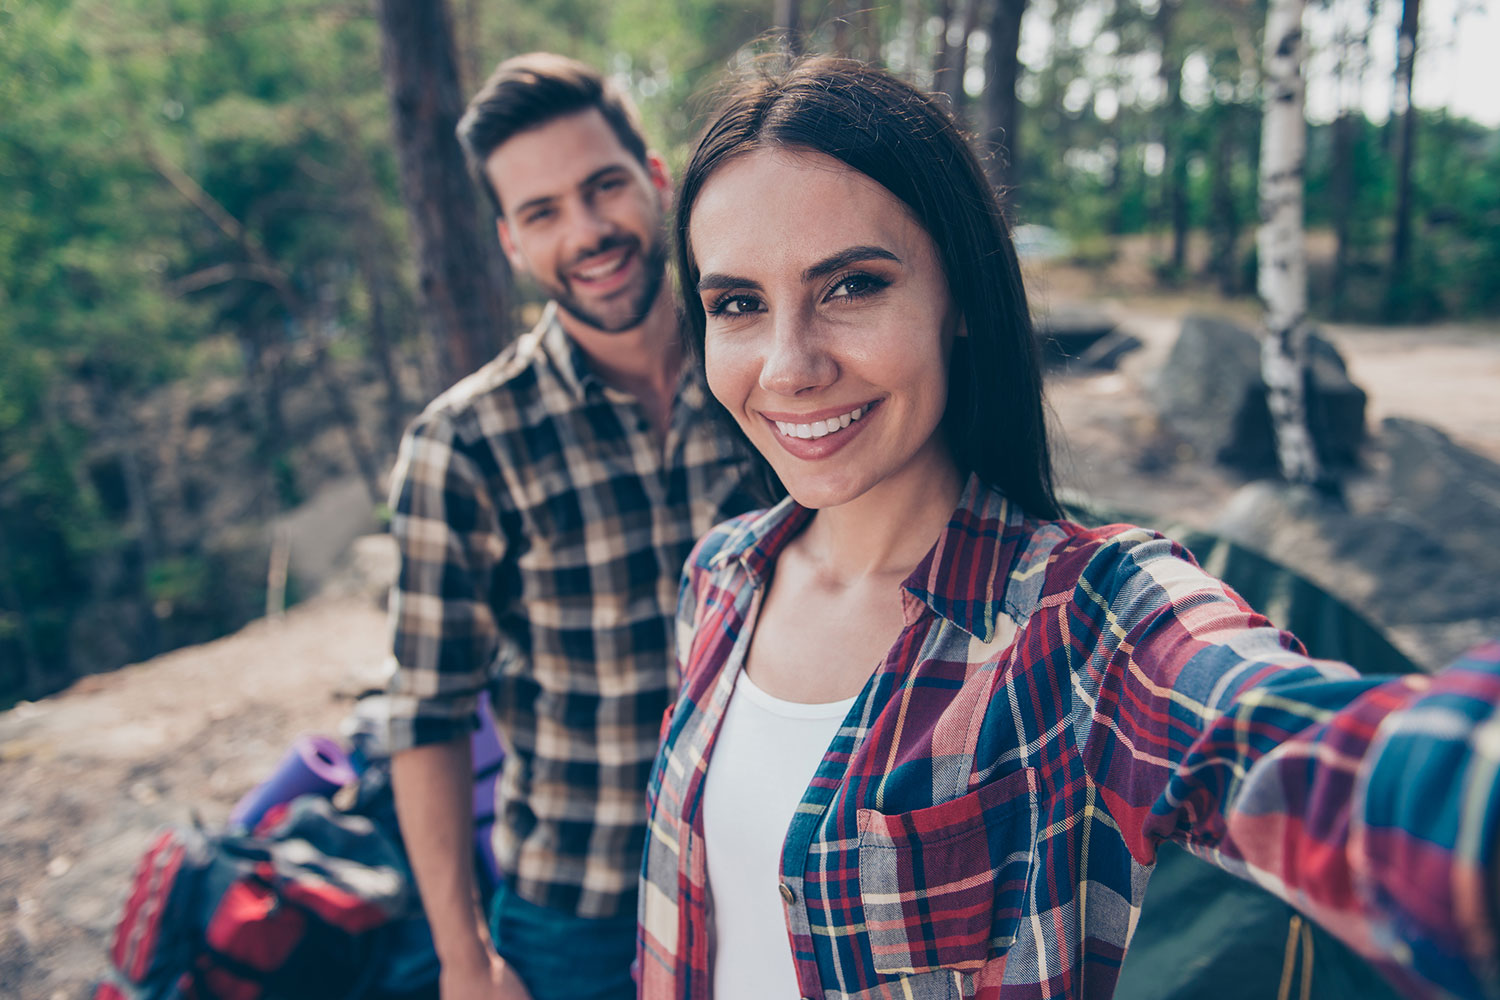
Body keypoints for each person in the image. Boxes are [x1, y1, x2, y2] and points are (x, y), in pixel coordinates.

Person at [638, 56, 1500, 1000]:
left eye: (851, 286)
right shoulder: (720, 577)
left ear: (959, 295)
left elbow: (1325, 762)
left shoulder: (1089, 618)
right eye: (737, 305)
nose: (789, 366)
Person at [382, 53, 756, 1000]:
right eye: (544, 212)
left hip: (781, 873)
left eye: (603, 189)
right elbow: (426, 717)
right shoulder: (460, 445)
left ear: (656, 180)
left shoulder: (770, 377)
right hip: (580, 918)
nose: (588, 233)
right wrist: (466, 962)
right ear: (511, 241)